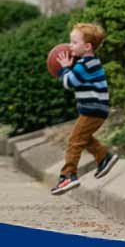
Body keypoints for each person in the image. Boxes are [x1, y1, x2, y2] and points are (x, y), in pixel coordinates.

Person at [50, 23, 119, 195]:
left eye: (74, 42)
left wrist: (65, 67)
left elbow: (69, 83)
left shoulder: (84, 65)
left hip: (92, 109)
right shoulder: (89, 62)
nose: (69, 46)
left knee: (74, 140)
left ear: (87, 46)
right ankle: (104, 157)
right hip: (96, 109)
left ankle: (68, 175)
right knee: (83, 138)